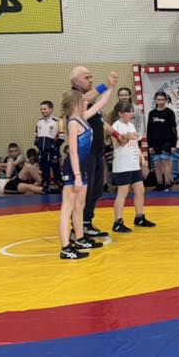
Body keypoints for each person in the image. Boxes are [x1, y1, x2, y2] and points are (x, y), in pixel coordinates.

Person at [59, 85, 114, 260]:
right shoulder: (73, 123)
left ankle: (80, 238)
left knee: (79, 205)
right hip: (73, 168)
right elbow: (73, 151)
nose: (87, 103)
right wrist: (76, 176)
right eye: (84, 101)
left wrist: (110, 86)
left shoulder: (83, 117)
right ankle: (65, 248)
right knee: (67, 207)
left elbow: (101, 103)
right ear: (76, 104)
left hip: (81, 168)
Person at [69, 66, 125, 237]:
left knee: (96, 189)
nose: (90, 80)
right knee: (85, 192)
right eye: (86, 77)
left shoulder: (91, 101)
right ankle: (77, 228)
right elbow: (85, 99)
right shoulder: (74, 97)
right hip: (85, 154)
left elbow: (100, 121)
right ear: (75, 81)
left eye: (91, 77)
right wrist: (106, 85)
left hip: (97, 152)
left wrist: (117, 134)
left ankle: (86, 223)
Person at [110, 100, 156, 233]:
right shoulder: (116, 126)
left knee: (140, 190)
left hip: (134, 164)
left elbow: (135, 145)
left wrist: (142, 158)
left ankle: (139, 217)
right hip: (123, 165)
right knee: (122, 193)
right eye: (129, 111)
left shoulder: (131, 125)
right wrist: (127, 137)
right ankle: (118, 222)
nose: (132, 114)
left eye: (132, 111)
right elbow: (118, 144)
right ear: (120, 113)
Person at [147, 91, 178, 192]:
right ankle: (159, 184)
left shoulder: (170, 112)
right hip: (155, 142)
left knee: (166, 161)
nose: (160, 101)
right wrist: (150, 145)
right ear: (155, 100)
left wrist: (173, 145)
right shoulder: (152, 113)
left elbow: (174, 129)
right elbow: (149, 130)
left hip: (167, 141)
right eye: (158, 99)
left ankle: (167, 184)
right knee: (157, 163)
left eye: (162, 100)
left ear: (166, 100)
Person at [35, 100, 63, 192]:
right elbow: (36, 134)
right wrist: (37, 143)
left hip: (53, 152)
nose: (42, 111)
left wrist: (54, 146)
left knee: (56, 169)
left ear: (51, 109)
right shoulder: (39, 122)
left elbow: (61, 137)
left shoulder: (57, 121)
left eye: (44, 109)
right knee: (44, 170)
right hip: (42, 152)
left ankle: (60, 186)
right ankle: (45, 187)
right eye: (41, 109)